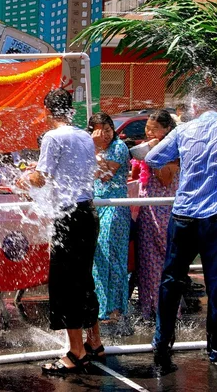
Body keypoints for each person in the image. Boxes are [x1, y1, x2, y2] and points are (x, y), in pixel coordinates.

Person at [145, 86, 217, 367]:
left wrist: (182, 162)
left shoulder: (185, 129)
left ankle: (161, 346)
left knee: (171, 281)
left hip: (183, 214)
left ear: (195, 107)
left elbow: (151, 158)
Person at [18, 88, 104, 375]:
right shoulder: (84, 136)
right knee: (84, 279)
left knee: (65, 283)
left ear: (47, 111)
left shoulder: (53, 137)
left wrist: (24, 176)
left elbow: (40, 180)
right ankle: (95, 342)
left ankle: (76, 352)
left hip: (68, 217)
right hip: (88, 213)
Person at [133, 110, 179, 321]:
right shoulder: (150, 146)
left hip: (162, 209)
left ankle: (165, 310)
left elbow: (166, 179)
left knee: (161, 261)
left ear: (166, 129)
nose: (149, 132)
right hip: (147, 208)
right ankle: (148, 308)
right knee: (146, 261)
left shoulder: (172, 149)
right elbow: (137, 176)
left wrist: (153, 154)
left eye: (154, 129)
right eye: (147, 129)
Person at [89, 112, 131, 323]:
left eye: (108, 130)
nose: (105, 135)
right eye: (99, 131)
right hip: (98, 206)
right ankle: (101, 308)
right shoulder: (92, 148)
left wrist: (95, 150)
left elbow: (105, 175)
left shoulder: (118, 148)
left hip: (115, 207)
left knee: (112, 256)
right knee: (99, 257)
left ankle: (116, 309)